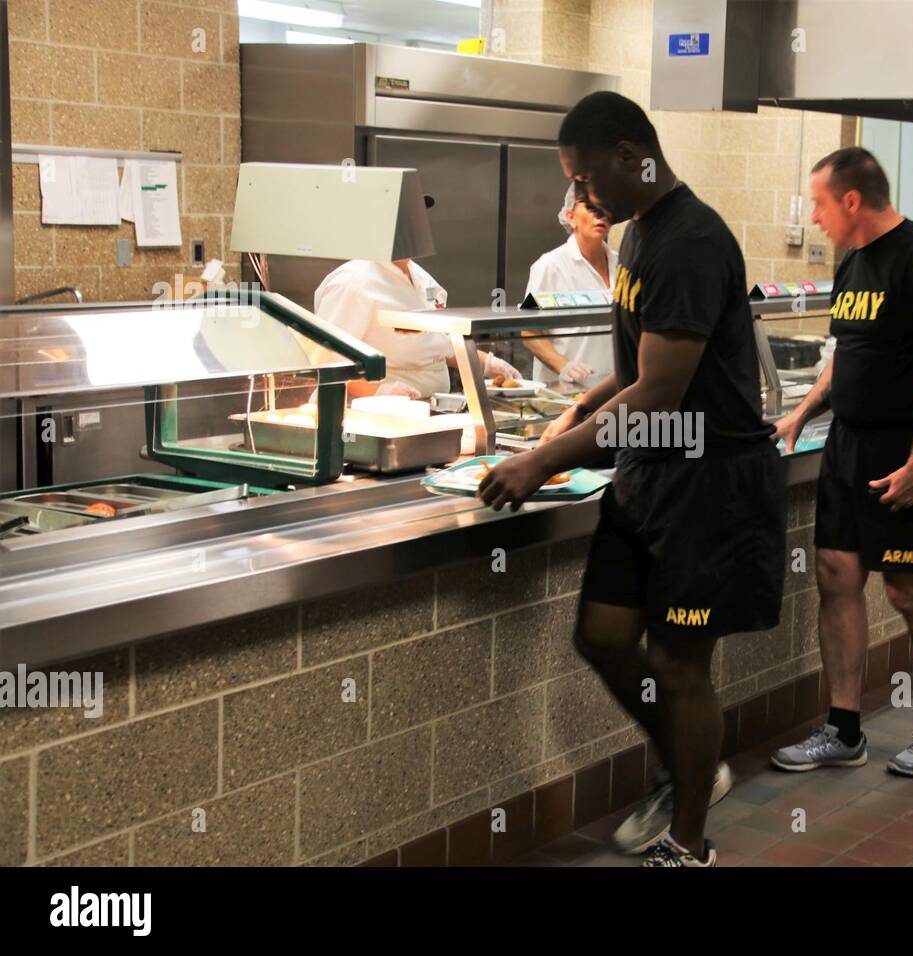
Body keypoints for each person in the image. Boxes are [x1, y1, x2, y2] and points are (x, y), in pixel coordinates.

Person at [477, 91, 787, 867]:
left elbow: (659, 394)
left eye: (585, 180)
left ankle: (689, 843)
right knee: (604, 635)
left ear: (628, 155)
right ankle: (688, 766)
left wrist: (542, 460)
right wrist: (576, 410)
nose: (582, 197)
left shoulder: (689, 241)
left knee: (682, 665)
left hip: (704, 486)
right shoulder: (641, 237)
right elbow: (632, 369)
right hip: (647, 477)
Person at [769, 146, 913, 779]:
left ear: (852, 200)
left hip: (908, 445)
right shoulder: (854, 264)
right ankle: (844, 728)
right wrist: (802, 414)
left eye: (820, 204)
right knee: (835, 574)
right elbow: (846, 353)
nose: (816, 217)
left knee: (909, 589)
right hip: (848, 445)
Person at [312, 258, 517, 399]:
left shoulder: (421, 278)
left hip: (426, 409)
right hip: (368, 416)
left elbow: (439, 344)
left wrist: (486, 363)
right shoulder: (353, 281)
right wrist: (380, 391)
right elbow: (328, 363)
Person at [521, 183, 618, 391]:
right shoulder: (550, 266)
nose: (600, 215)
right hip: (563, 394)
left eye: (606, 207)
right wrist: (564, 366)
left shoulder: (623, 264)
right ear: (571, 216)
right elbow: (528, 331)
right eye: (591, 207)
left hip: (612, 391)